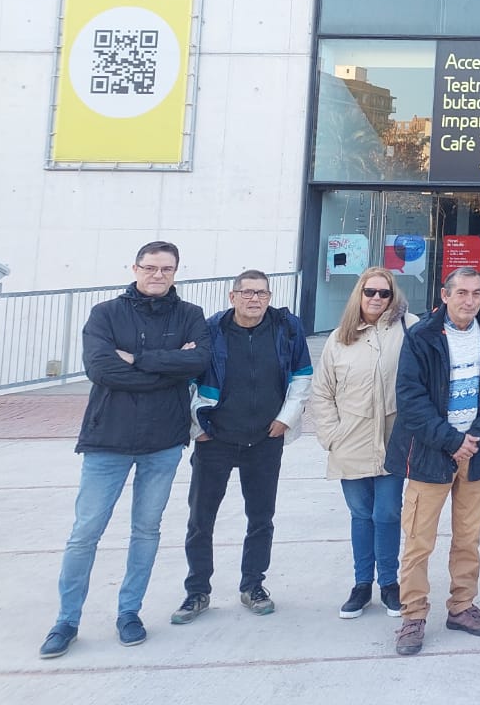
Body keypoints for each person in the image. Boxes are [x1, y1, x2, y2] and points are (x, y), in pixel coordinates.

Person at [40, 242, 212, 659]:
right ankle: (66, 621)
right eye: (150, 267)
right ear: (135, 268)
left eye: (166, 268)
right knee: (85, 534)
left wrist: (136, 359)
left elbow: (200, 362)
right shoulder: (105, 314)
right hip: (107, 441)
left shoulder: (190, 316)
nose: (158, 275)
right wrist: (166, 369)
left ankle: (129, 613)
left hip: (163, 443)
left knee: (146, 532)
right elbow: (100, 369)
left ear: (176, 272)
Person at [388, 266, 480, 656]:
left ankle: (462, 606)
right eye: (461, 293)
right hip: (431, 453)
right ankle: (413, 614)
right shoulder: (422, 336)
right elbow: (410, 398)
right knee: (417, 540)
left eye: (476, 293)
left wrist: (475, 436)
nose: (469, 301)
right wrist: (451, 440)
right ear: (445, 295)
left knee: (468, 538)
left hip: (475, 454)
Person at [173, 270, 312, 625]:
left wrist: (286, 419)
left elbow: (301, 376)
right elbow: (188, 380)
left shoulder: (287, 328)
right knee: (201, 520)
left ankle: (253, 585)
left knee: (261, 519)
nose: (255, 299)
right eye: (247, 292)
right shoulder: (210, 330)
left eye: (262, 293)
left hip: (265, 440)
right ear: (232, 296)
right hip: (215, 439)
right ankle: (197, 591)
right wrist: (197, 428)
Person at [310, 266, 410, 621]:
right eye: (371, 292)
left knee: (387, 512)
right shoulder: (340, 338)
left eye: (384, 293)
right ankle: (361, 584)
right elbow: (322, 391)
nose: (377, 299)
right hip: (350, 441)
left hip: (392, 440)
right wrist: (330, 435)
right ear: (360, 294)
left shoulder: (408, 329)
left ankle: (389, 583)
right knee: (361, 514)